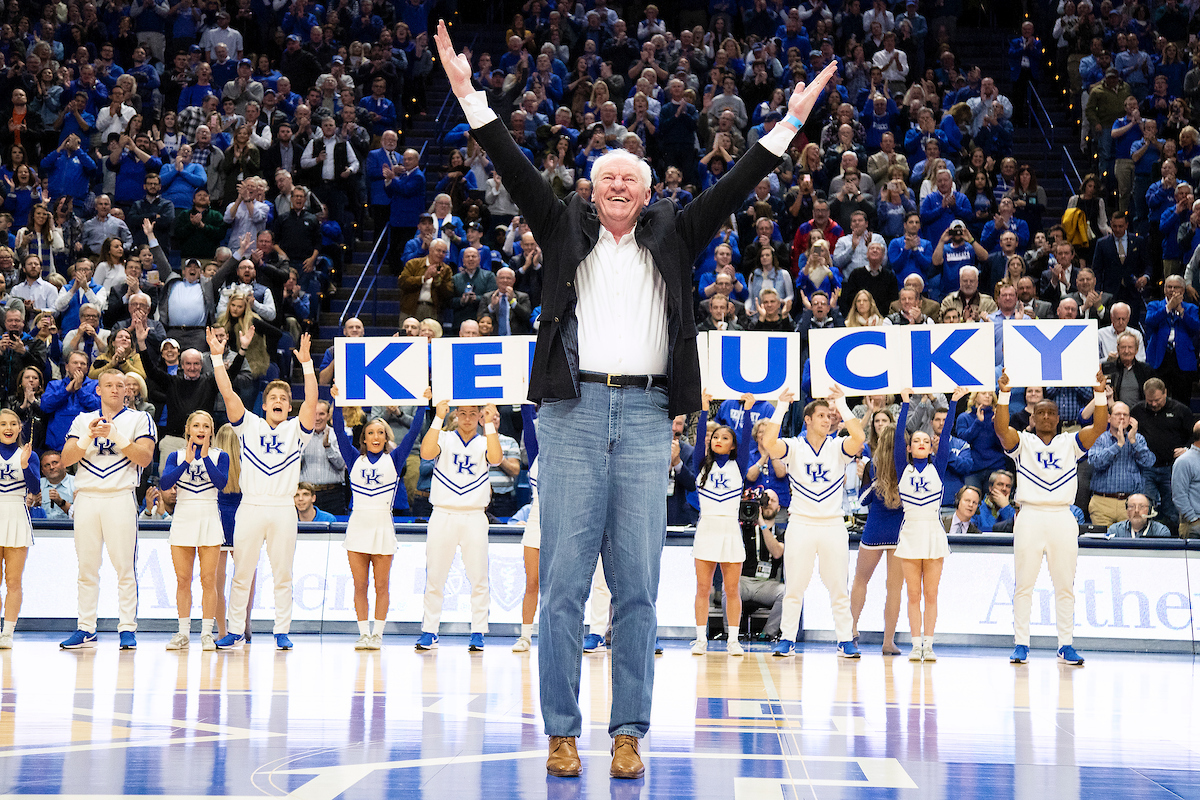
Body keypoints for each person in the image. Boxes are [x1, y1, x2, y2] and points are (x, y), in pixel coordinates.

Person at [436, 20, 838, 781]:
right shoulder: (560, 227)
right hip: (573, 415)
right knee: (560, 584)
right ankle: (561, 730)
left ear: (650, 194)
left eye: (632, 178)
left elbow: (743, 177)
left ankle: (628, 732)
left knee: (638, 588)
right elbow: (510, 162)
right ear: (590, 189)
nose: (618, 186)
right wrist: (468, 95)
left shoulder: (679, 232)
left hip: (652, 418)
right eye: (606, 176)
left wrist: (789, 120)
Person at [209, 327, 318, 651]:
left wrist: (308, 365)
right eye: (274, 397)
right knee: (242, 572)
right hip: (252, 505)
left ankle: (281, 630)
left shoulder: (296, 429)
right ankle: (235, 630)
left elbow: (311, 399)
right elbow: (228, 394)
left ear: (288, 406)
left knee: (283, 573)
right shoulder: (249, 425)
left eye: (284, 398)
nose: (279, 401)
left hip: (283, 508)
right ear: (265, 403)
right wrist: (217, 356)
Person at [993, 367, 1108, 665]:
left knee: (1065, 584)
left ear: (1058, 418)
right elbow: (1001, 429)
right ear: (1032, 417)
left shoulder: (1070, 442)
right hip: (1029, 515)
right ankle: (1021, 644)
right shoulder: (1023, 443)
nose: (1045, 417)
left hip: (1061, 515)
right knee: (1024, 584)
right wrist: (1004, 393)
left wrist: (1099, 392)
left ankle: (1066, 644)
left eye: (1050, 413)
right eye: (1040, 413)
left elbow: (1099, 426)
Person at [760, 386, 866, 658]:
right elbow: (770, 444)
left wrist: (841, 404)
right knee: (794, 587)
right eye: (821, 415)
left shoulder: (837, 446)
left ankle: (845, 639)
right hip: (802, 523)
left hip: (832, 524)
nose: (826, 420)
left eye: (828, 416)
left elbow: (860, 438)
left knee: (838, 588)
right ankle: (787, 638)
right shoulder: (794, 446)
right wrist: (781, 407)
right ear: (807, 420)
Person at [57, 367, 157, 650]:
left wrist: (116, 436)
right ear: (98, 390)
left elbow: (145, 457)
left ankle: (127, 628)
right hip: (87, 497)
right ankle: (86, 627)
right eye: (109, 385)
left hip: (120, 497)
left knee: (125, 567)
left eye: (121, 385)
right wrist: (88, 437)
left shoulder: (140, 419)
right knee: (87, 568)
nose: (115, 389)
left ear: (128, 390)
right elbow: (65, 459)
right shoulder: (82, 419)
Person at [330, 384, 427, 649]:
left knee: (381, 585)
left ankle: (378, 635)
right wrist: (337, 401)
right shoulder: (353, 459)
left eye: (380, 433)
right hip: (358, 525)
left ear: (386, 438)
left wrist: (422, 403)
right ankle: (363, 633)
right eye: (371, 432)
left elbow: (415, 431)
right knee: (360, 585)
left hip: (383, 525)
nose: (375, 436)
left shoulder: (395, 460)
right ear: (364, 437)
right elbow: (338, 431)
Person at [416, 399, 503, 651]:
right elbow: (425, 453)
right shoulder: (444, 438)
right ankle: (430, 630)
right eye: (462, 413)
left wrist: (489, 424)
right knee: (435, 576)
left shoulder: (486, 440)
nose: (467, 418)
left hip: (474, 515)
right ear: (455, 415)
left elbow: (496, 459)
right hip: (443, 513)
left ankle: (478, 631)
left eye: (472, 414)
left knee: (478, 577)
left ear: (479, 417)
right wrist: (437, 417)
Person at [893, 387, 968, 661]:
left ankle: (929, 644)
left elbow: (945, 434)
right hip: (911, 532)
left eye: (927, 440)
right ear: (910, 447)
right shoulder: (903, 468)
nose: (922, 443)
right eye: (917, 440)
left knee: (931, 593)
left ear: (932, 445)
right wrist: (904, 405)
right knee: (913, 594)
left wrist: (956, 402)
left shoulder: (939, 466)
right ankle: (915, 644)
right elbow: (896, 439)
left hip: (934, 533)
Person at [158, 410, 228, 651]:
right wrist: (187, 461)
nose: (200, 430)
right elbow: (165, 484)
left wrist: (205, 457)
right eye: (196, 425)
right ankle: (183, 632)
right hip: (184, 515)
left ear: (211, 430)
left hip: (209, 514)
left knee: (209, 580)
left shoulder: (221, 456)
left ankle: (207, 633)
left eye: (205, 426)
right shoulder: (176, 456)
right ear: (188, 430)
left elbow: (222, 483)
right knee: (183, 579)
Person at [690, 392, 753, 657]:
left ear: (733, 446)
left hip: (729, 528)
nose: (718, 440)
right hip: (707, 529)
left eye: (725, 438)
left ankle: (733, 640)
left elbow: (747, 436)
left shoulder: (739, 465)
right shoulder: (700, 464)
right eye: (716, 437)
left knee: (731, 589)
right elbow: (699, 438)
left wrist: (747, 410)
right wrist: (704, 410)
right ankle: (700, 639)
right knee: (703, 588)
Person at [852, 422, 903, 655]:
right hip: (900, 532)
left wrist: (873, 482)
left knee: (860, 581)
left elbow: (862, 500)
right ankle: (888, 641)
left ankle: (851, 630)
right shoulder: (909, 468)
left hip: (875, 529)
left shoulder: (872, 466)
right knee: (894, 589)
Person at [0, 409, 38, 648]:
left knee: (13, 581)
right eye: (3, 423)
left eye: (14, 423)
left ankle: (8, 633)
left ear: (20, 428)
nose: (9, 428)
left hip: (16, 514)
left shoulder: (28, 454)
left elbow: (34, 488)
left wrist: (25, 465)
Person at [1087, 401, 1155, 526]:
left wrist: (1133, 442)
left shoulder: (1138, 438)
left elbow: (1149, 462)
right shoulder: (1100, 438)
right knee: (1101, 544)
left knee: (1128, 544)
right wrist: (1118, 445)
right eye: (1118, 414)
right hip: (1102, 503)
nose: (1122, 417)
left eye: (1125, 415)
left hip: (1130, 504)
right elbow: (1095, 463)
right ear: (1109, 418)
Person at [738, 488, 786, 640]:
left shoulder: (782, 532)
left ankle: (768, 634)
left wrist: (763, 524)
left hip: (767, 584)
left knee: (786, 593)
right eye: (766, 500)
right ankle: (731, 633)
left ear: (779, 508)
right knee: (729, 587)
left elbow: (777, 552)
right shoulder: (745, 529)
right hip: (743, 580)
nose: (769, 503)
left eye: (773, 501)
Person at [512, 405, 542, 653]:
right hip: (537, 519)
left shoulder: (574, 458)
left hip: (566, 521)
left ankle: (560, 637)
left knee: (562, 587)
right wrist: (523, 393)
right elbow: (527, 418)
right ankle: (525, 636)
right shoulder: (536, 456)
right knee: (531, 582)